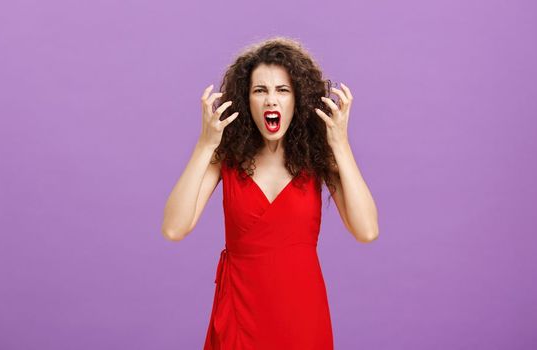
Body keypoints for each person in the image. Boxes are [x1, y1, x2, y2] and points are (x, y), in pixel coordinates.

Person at [161, 37, 379, 349]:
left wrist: (340, 145)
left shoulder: (319, 158)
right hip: (240, 311)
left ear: (298, 99)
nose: (271, 101)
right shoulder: (227, 156)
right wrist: (205, 144)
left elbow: (367, 230)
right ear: (245, 100)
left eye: (282, 90)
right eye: (260, 90)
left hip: (303, 317)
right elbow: (173, 227)